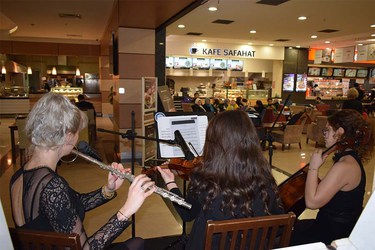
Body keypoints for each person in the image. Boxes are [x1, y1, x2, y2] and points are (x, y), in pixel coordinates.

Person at [9, 93, 155, 250]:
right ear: (68, 136)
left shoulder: (20, 175)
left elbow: (69, 206)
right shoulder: (51, 185)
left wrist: (108, 189)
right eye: (77, 132)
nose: (78, 138)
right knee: (136, 244)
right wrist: (127, 210)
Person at [157, 110, 284, 249]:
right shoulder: (265, 178)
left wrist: (170, 183)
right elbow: (278, 226)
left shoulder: (204, 179)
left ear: (214, 142)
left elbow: (188, 214)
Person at [291, 110, 374, 245]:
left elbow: (312, 203)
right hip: (332, 227)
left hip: (332, 235)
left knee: (286, 236)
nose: (324, 135)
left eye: (327, 130)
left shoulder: (345, 166)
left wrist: (314, 167)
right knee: (294, 227)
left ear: (340, 132)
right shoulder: (350, 158)